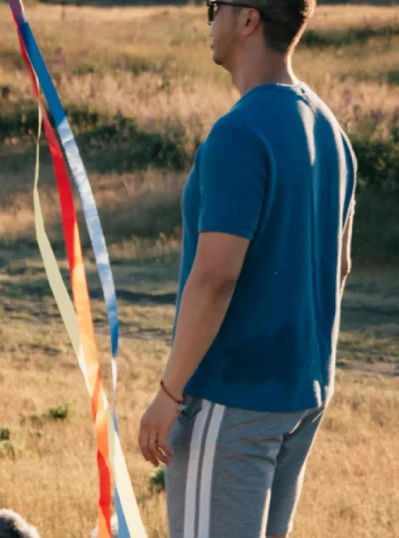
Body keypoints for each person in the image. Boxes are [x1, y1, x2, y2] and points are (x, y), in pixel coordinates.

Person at [136, 1, 357, 537]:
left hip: (233, 397)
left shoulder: (239, 132)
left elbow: (216, 276)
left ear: (248, 20)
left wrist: (169, 394)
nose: (208, 21)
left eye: (215, 7)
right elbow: (342, 266)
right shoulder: (331, 130)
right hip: (301, 394)